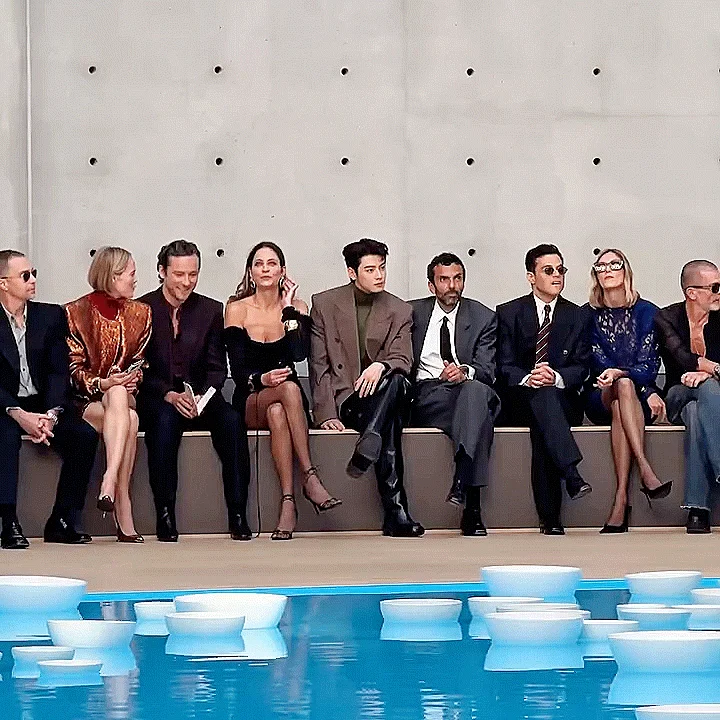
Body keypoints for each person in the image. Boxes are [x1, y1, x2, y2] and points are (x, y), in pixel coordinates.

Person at [225, 241, 341, 540]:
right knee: (287, 390)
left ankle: (288, 503)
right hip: (251, 396)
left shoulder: (297, 308)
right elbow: (237, 370)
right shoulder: (236, 309)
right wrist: (262, 379)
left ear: (282, 271)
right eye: (259, 264)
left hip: (286, 405)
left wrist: (288, 309)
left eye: (272, 263)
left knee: (279, 411)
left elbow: (299, 353)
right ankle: (310, 476)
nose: (265, 269)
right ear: (250, 272)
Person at [137, 239, 252, 541]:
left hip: (202, 395)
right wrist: (169, 394)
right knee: (163, 424)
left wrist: (202, 396)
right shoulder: (141, 309)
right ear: (162, 271)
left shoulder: (211, 310)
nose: (187, 282)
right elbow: (139, 368)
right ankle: (165, 515)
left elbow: (217, 368)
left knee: (232, 422)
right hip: (159, 397)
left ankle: (238, 515)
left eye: (193, 274)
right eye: (179, 274)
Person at [310, 238, 424, 537]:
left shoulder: (400, 309)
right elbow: (319, 365)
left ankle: (370, 438)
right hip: (350, 399)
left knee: (397, 380)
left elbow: (404, 358)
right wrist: (325, 414)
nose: (379, 275)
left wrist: (381, 365)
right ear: (352, 272)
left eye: (382, 268)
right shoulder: (324, 304)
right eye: (370, 269)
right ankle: (396, 514)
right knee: (390, 420)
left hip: (386, 391)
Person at [0, 250, 99, 549]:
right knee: (5, 438)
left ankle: (63, 519)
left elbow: (59, 370)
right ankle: (8, 522)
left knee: (84, 436)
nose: (32, 280)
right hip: (4, 406)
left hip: (43, 404)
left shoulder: (50, 315)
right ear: (3, 283)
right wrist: (18, 413)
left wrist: (51, 414)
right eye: (25, 276)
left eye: (34, 273)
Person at [496, 243, 592, 535]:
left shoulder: (577, 315)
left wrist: (556, 377)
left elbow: (582, 367)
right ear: (531, 277)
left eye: (561, 270)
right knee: (541, 402)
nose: (557, 276)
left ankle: (550, 516)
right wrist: (529, 378)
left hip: (561, 401)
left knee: (545, 410)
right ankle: (570, 475)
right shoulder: (509, 312)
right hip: (518, 400)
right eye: (548, 270)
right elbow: (503, 365)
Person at [408, 252, 500, 536]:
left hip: (467, 390)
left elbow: (486, 370)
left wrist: (464, 371)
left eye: (458, 278)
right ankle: (472, 508)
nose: (452, 286)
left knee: (474, 394)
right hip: (429, 394)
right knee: (478, 416)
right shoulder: (411, 313)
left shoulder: (483, 317)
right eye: (444, 280)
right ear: (431, 285)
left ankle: (462, 482)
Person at [65, 246, 151, 543]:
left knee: (119, 394)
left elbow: (140, 362)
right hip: (87, 399)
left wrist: (131, 378)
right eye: (131, 274)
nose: (135, 280)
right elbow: (73, 370)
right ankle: (121, 498)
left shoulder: (141, 313)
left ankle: (109, 479)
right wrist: (102, 383)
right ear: (113, 276)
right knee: (131, 420)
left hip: (124, 394)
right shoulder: (75, 312)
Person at [584, 249, 671, 533]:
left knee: (623, 391)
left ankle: (621, 500)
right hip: (599, 394)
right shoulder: (587, 315)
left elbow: (648, 365)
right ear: (596, 275)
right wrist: (637, 386)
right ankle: (646, 470)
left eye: (614, 264)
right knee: (619, 387)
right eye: (601, 266)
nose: (607, 269)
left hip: (634, 396)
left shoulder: (648, 312)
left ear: (626, 271)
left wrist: (634, 384)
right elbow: (596, 362)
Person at [655, 260, 720, 533]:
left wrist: (709, 374)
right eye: (714, 287)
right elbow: (681, 357)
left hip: (710, 398)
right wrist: (712, 370)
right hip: (676, 393)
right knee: (704, 391)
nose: (719, 293)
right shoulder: (667, 318)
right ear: (692, 292)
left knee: (696, 411)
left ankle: (697, 510)